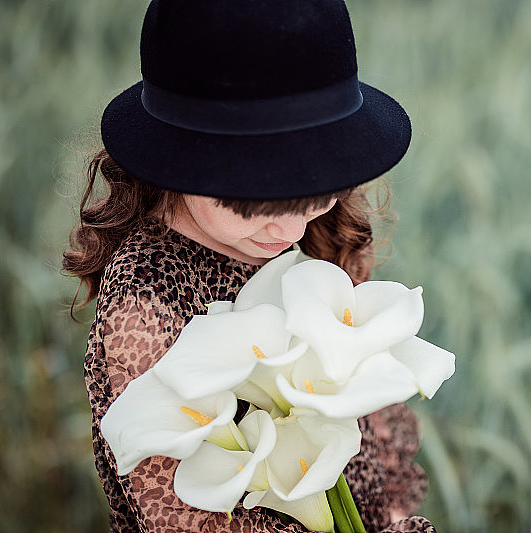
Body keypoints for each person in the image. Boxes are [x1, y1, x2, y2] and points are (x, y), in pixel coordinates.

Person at [62, 1, 434, 531]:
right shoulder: (144, 312)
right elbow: (187, 516)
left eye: (319, 197)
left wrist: (391, 514)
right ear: (176, 158)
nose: (292, 233)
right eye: (255, 205)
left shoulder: (301, 238)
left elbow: (369, 426)